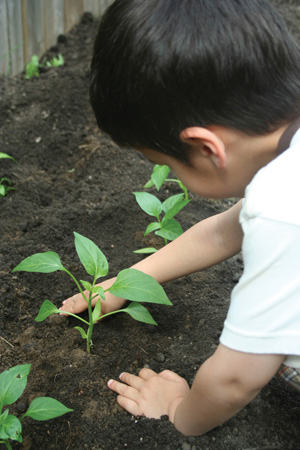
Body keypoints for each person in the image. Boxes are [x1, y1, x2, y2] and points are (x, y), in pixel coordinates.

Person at [60, 0, 300, 436]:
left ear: (207, 149)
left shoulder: (284, 207)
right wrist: (124, 282)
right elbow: (224, 232)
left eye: (167, 164)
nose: (169, 174)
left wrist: (177, 410)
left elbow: (234, 379)